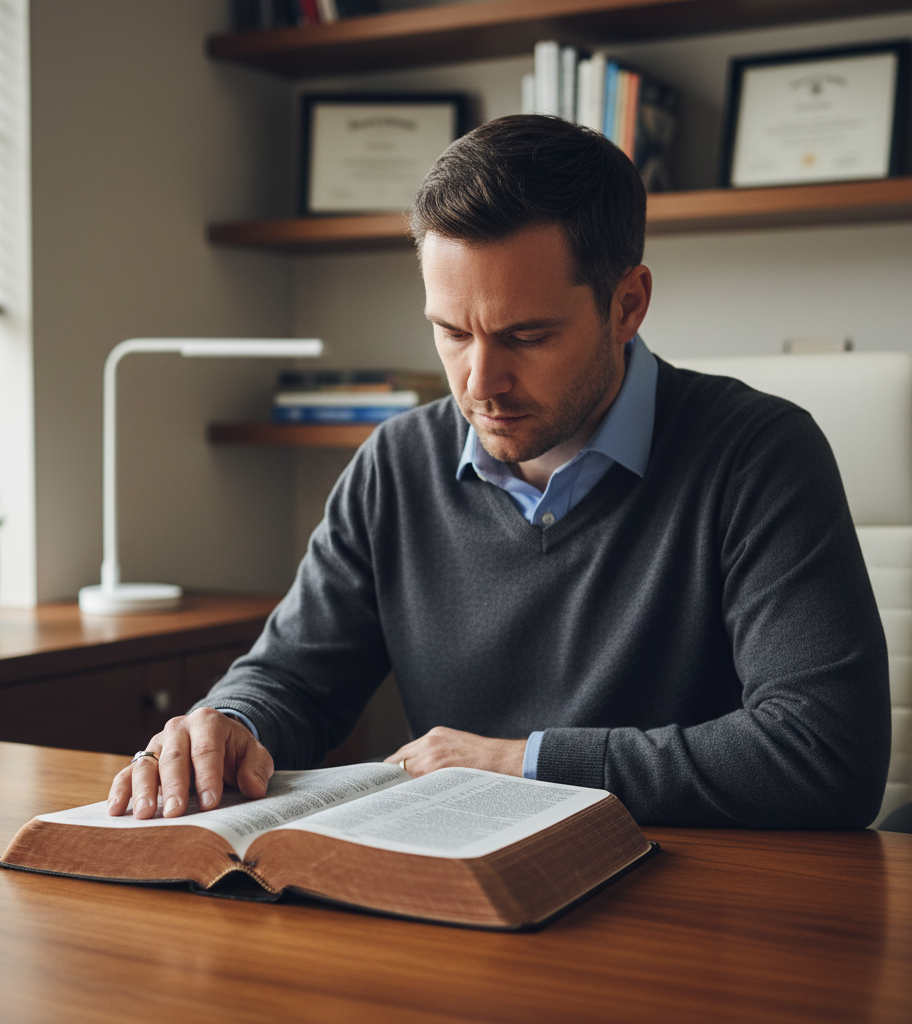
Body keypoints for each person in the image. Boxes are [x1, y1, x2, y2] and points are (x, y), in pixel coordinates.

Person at [108, 115, 890, 828]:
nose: (480, 382)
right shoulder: (395, 464)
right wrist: (231, 721)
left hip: (694, 916)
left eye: (526, 335)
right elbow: (295, 677)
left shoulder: (760, 455)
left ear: (628, 305)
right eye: (451, 332)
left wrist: (523, 765)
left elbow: (825, 754)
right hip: (463, 897)